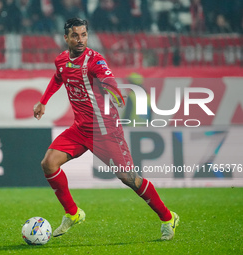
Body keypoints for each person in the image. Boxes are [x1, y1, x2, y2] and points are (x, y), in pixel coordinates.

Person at [33, 18, 179, 241]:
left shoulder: (95, 60)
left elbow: (106, 77)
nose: (80, 39)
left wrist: (112, 90)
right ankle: (73, 214)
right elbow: (58, 77)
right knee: (48, 163)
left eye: (83, 34)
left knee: (129, 178)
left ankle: (168, 217)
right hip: (80, 129)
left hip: (105, 131)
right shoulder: (61, 60)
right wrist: (43, 101)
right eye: (75, 35)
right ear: (66, 38)